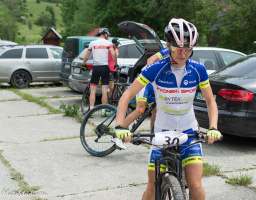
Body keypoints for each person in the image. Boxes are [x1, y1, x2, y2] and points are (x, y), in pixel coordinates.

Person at [115, 18, 222, 200]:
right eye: (178, 47)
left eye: (187, 48)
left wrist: (213, 127)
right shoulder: (155, 69)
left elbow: (211, 101)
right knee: (152, 185)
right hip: (161, 134)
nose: (183, 53)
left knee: (196, 185)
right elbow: (126, 96)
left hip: (189, 132)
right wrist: (120, 126)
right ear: (169, 45)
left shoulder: (198, 69)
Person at [83, 28, 116, 110]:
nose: (108, 36)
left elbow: (87, 55)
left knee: (93, 89)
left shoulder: (92, 43)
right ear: (105, 34)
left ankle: (91, 109)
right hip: (105, 67)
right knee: (104, 90)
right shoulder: (108, 43)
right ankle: (103, 110)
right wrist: (116, 63)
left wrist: (83, 63)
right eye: (107, 35)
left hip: (96, 68)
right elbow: (113, 54)